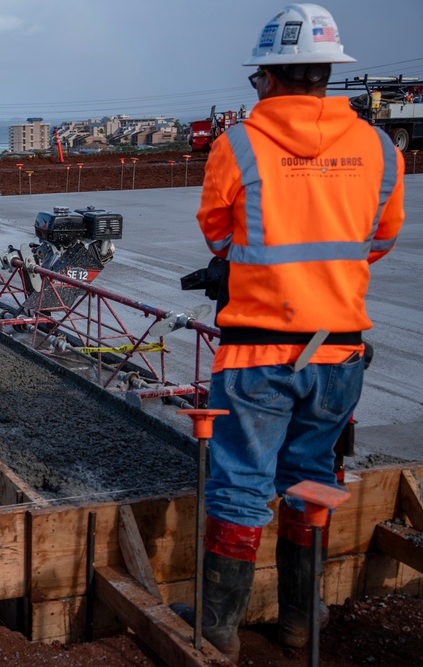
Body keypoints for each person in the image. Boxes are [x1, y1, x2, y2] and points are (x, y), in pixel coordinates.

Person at [191, 4, 404, 660]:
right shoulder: (379, 149)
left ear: (273, 77)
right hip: (337, 354)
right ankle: (296, 624)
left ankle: (217, 631)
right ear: (326, 74)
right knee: (310, 478)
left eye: (259, 78)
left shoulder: (238, 147)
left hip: (256, 352)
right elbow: (378, 238)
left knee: (239, 481)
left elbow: (218, 234)